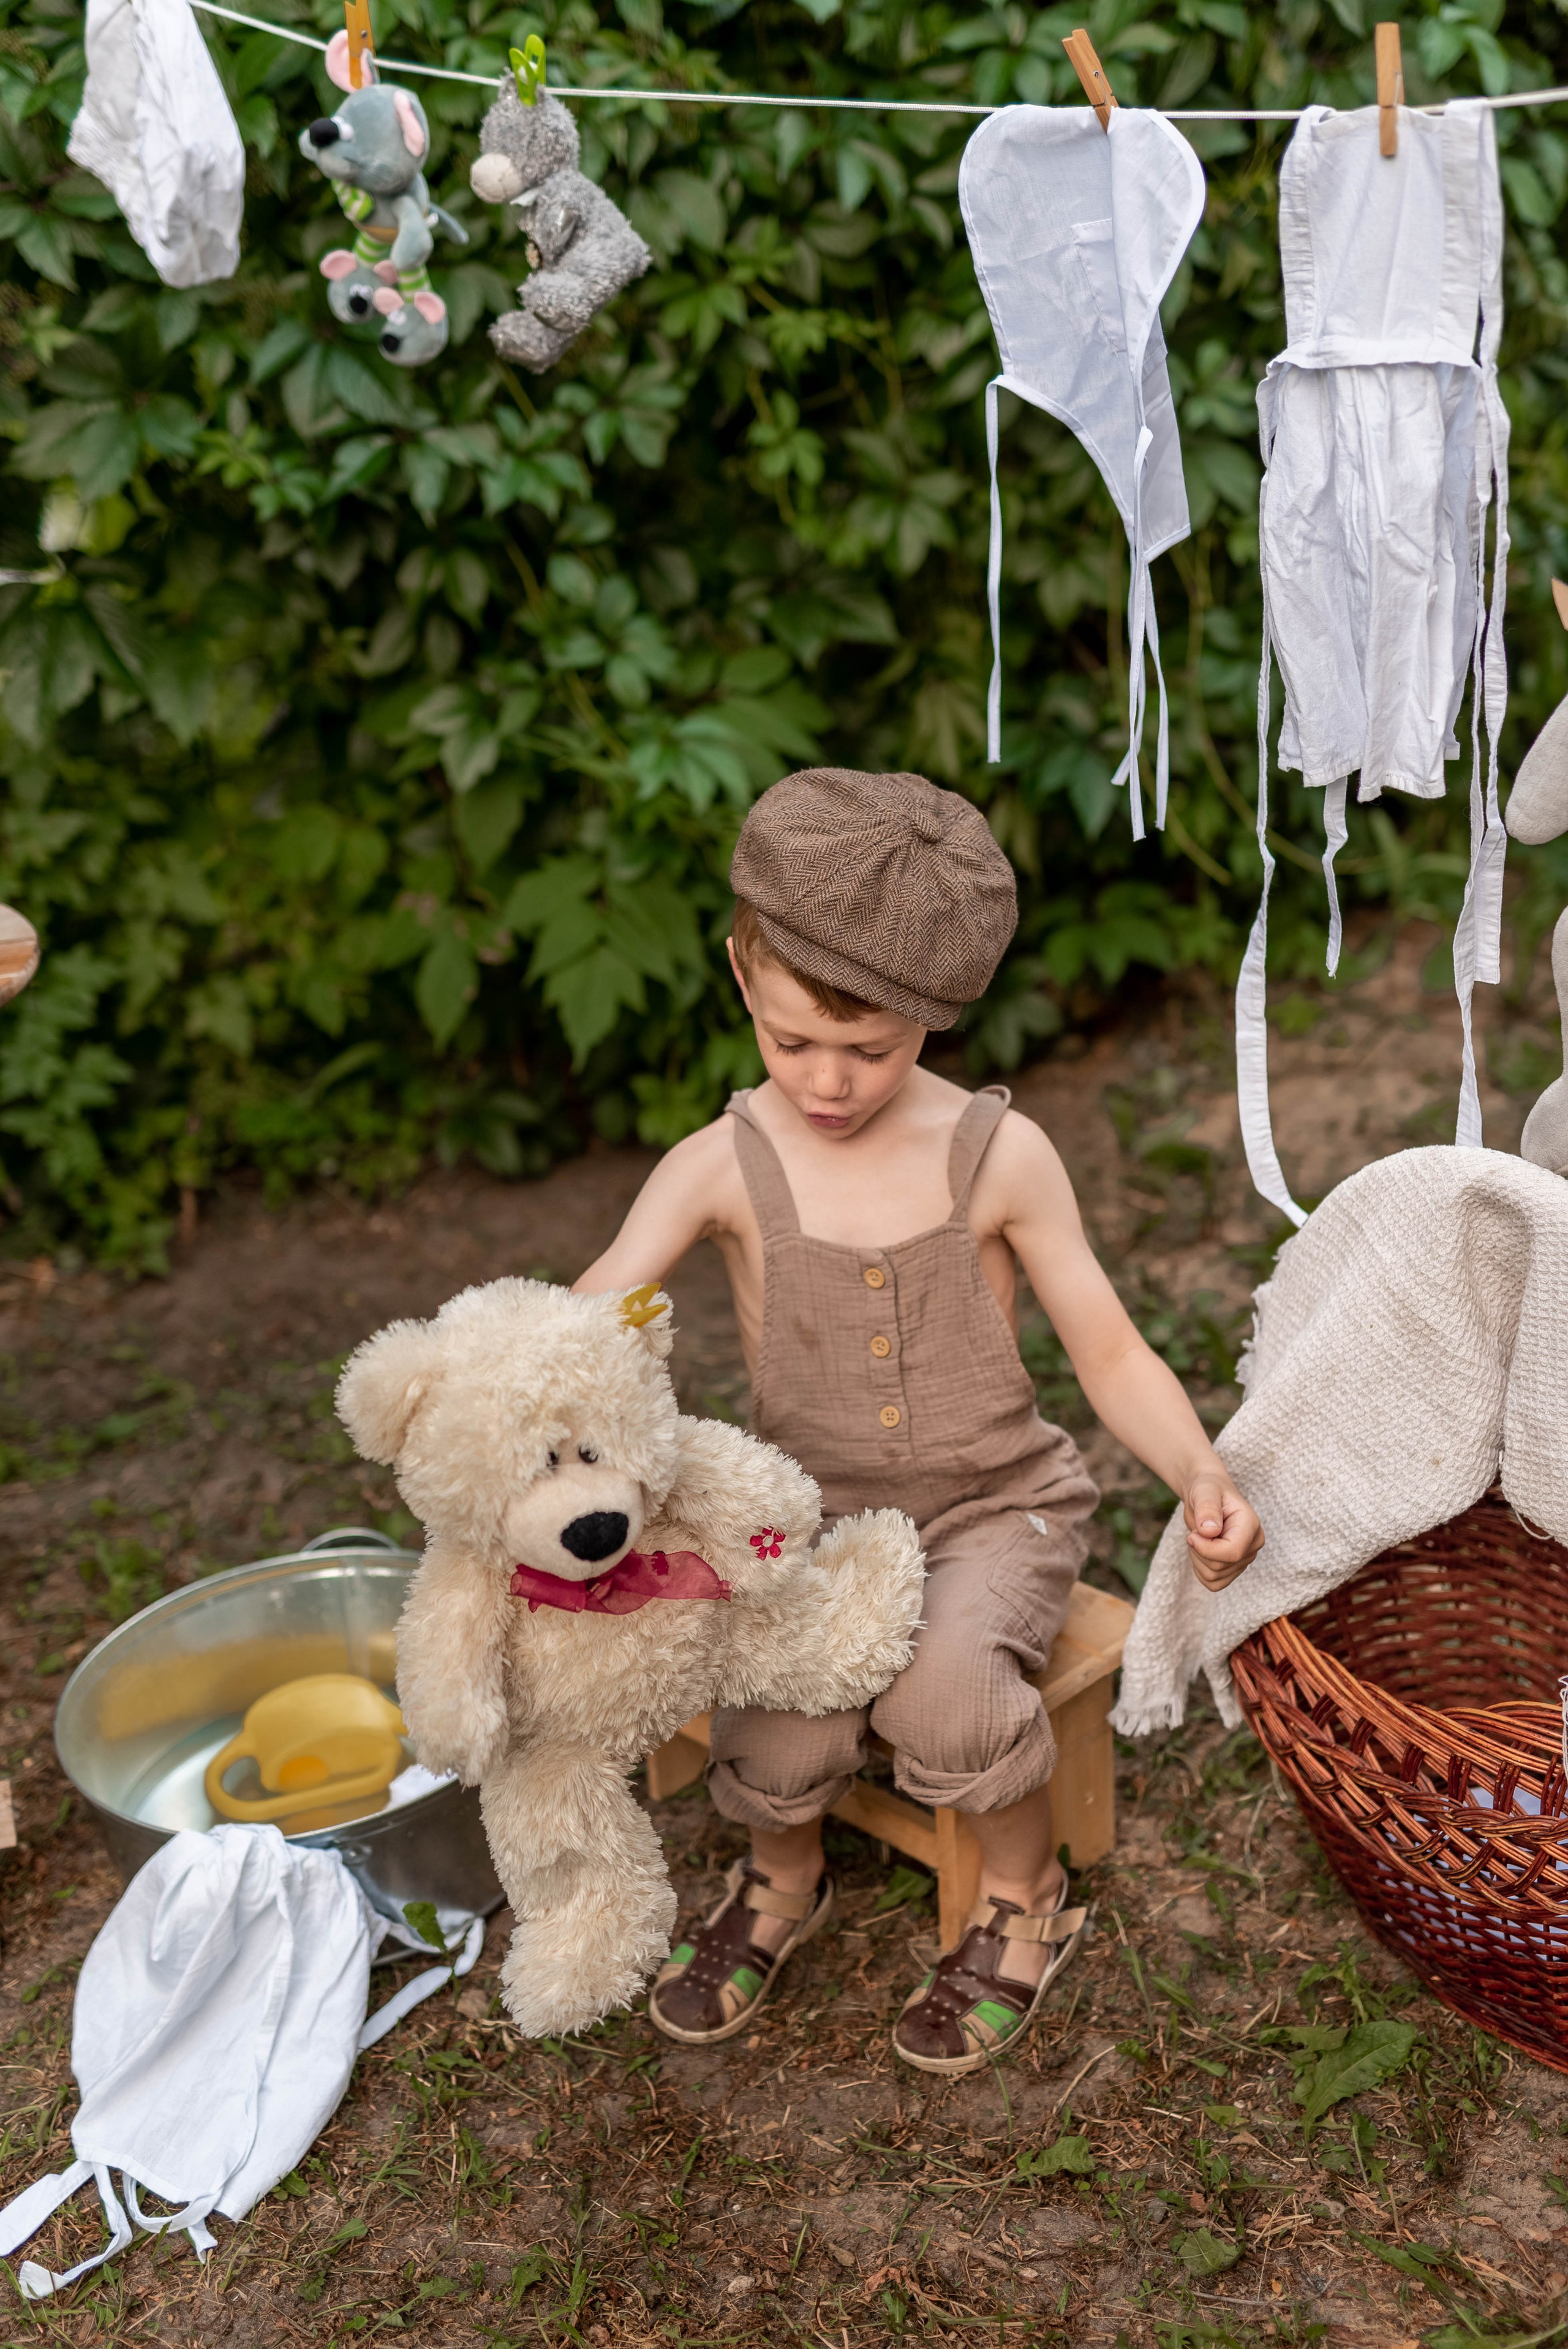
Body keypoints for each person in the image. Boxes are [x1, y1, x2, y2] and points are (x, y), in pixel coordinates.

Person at [573, 766, 1263, 2075]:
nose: (828, 1082)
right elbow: (584, 1315)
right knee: (774, 1706)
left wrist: (1195, 1468)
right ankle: (783, 1877)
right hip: (809, 1520)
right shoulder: (722, 1163)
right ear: (740, 976)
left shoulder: (996, 1155)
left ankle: (1022, 1893)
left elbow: (1105, 1346)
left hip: (991, 1509)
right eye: (793, 1042)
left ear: (935, 1018)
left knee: (945, 1695)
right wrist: (493, 1403)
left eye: (873, 1049)